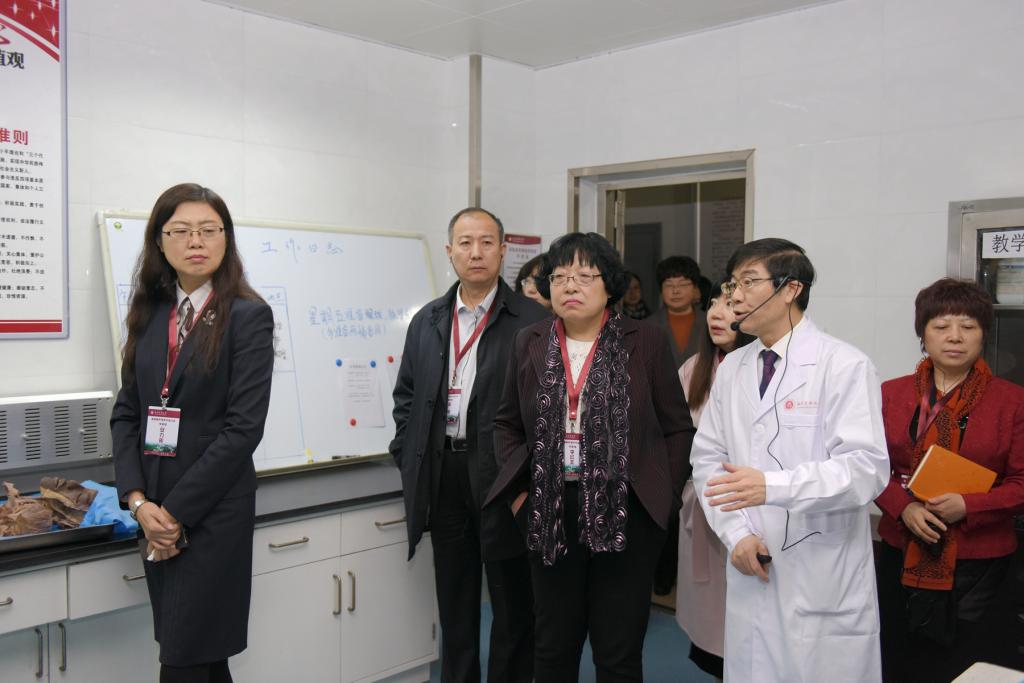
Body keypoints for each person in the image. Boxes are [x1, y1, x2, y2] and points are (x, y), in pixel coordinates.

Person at [486, 232, 695, 682]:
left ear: (609, 285)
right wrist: (521, 498)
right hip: (548, 507)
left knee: (618, 651)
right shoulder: (529, 341)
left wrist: (662, 498)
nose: (570, 286)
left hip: (627, 508)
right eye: (560, 276)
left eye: (584, 276)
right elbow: (506, 424)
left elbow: (677, 427)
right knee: (553, 645)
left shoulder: (646, 340)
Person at [689, 238, 889, 683]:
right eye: (732, 284)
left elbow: (865, 470)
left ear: (790, 289)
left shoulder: (843, 365)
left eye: (749, 282)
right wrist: (736, 534)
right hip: (752, 558)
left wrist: (772, 487)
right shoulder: (735, 367)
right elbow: (708, 460)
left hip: (820, 571)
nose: (735, 296)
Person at [111, 183, 275, 683]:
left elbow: (242, 430)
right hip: (155, 512)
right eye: (180, 231)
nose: (195, 241)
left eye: (208, 229)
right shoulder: (150, 313)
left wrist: (174, 514)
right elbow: (127, 414)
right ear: (160, 243)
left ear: (226, 239)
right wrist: (139, 502)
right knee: (201, 655)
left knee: (183, 657)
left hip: (212, 514)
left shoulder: (248, 316)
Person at [390, 207, 547, 683]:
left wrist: (526, 478)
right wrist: (407, 453)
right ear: (449, 251)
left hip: (505, 479)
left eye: (486, 242)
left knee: (512, 604)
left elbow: (546, 408)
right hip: (445, 475)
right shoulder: (428, 320)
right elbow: (407, 397)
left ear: (503, 250)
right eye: (465, 243)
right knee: (454, 604)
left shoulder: (532, 320)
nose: (475, 252)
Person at [875, 278, 1024, 682]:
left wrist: (968, 505)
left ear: (983, 333)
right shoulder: (891, 394)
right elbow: (869, 467)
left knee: (967, 665)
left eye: (968, 326)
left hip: (980, 563)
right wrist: (903, 507)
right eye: (941, 326)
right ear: (923, 334)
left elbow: (1021, 481)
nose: (955, 336)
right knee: (900, 660)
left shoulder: (1012, 401)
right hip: (901, 550)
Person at [675, 277, 755, 681]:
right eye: (713, 304)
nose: (718, 314)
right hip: (702, 504)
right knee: (711, 620)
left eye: (730, 305)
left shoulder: (762, 369)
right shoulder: (694, 368)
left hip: (750, 505)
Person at [650, 255, 706, 369]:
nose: (676, 291)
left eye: (683, 284)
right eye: (669, 285)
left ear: (695, 288)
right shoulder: (647, 326)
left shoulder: (710, 322)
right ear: (661, 290)